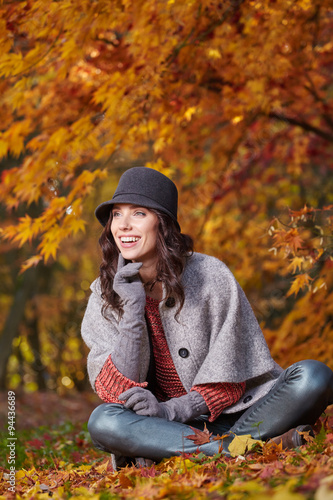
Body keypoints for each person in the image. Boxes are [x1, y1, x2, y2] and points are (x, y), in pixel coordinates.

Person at [81, 166, 333, 469]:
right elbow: (117, 392)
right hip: (166, 432)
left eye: (138, 214)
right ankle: (243, 450)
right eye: (117, 214)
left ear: (162, 224)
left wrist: (168, 411)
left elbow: (230, 382)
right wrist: (133, 308)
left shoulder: (211, 275)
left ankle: (209, 450)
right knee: (104, 420)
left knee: (313, 377)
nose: (123, 225)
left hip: (238, 415)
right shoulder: (103, 293)